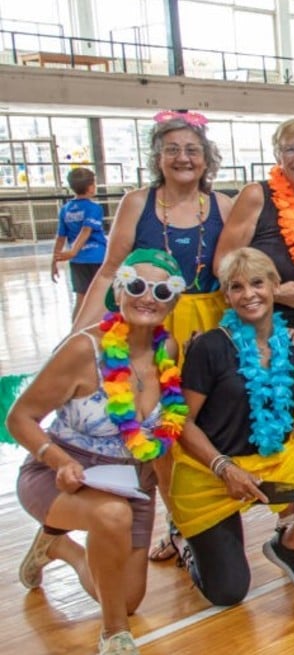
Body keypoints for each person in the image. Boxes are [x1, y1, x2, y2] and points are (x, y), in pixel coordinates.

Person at [9, 249, 185, 655]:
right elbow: (19, 418)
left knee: (127, 597)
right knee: (112, 514)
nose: (148, 298)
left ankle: (56, 546)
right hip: (61, 475)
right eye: (137, 286)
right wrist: (59, 460)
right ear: (119, 290)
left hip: (132, 479)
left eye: (161, 290)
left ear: (173, 300)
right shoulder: (82, 350)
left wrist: (177, 511)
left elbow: (162, 434)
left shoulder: (168, 350)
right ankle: (114, 633)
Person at [172, 247, 294, 603]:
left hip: (274, 461)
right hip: (211, 473)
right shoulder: (209, 347)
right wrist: (224, 467)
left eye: (257, 283)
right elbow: (181, 422)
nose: (249, 294)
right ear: (227, 296)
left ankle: (290, 545)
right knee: (228, 592)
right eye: (237, 287)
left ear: (274, 286)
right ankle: (188, 543)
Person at [215, 117, 294, 556]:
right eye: (291, 149)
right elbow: (225, 265)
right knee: (274, 423)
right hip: (265, 329)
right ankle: (286, 517)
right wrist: (272, 295)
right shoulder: (257, 196)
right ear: (278, 155)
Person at [73, 110, 231, 351]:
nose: (182, 158)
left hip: (210, 324)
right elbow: (109, 273)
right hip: (148, 320)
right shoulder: (136, 203)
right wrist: (76, 335)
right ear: (158, 159)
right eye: (172, 150)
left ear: (207, 159)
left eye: (192, 150)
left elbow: (237, 274)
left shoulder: (223, 205)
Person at [52, 167, 107, 317]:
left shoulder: (65, 209)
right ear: (90, 187)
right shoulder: (94, 208)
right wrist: (72, 251)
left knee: (81, 298)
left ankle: (75, 333)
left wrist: (54, 262)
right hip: (97, 258)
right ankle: (103, 331)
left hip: (78, 261)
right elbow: (86, 230)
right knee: (103, 297)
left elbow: (60, 237)